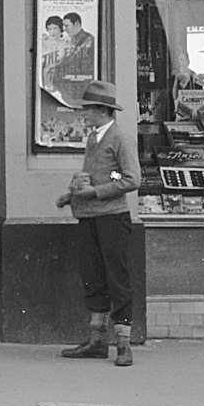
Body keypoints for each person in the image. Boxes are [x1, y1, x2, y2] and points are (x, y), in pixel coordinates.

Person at [57, 77, 141, 369]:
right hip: (90, 217)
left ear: (103, 110)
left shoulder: (120, 138)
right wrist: (72, 194)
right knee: (93, 277)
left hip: (112, 218)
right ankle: (96, 340)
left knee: (118, 281)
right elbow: (109, 174)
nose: (85, 114)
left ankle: (123, 344)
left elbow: (129, 177)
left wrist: (99, 188)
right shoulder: (94, 138)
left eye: (88, 110)